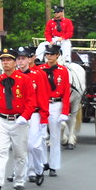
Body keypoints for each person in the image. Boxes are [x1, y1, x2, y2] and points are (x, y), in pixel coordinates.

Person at [0, 48, 35, 190]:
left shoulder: (25, 80)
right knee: (0, 151)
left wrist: (25, 116)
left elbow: (31, 102)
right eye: (3, 60)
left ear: (15, 62)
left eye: (9, 60)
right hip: (2, 119)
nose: (5, 63)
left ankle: (19, 180)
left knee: (20, 153)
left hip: (19, 121)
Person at [35, 44, 72, 176]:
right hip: (42, 104)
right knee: (41, 135)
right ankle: (43, 162)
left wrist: (64, 111)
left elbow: (66, 92)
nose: (49, 56)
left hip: (56, 104)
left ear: (58, 55)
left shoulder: (63, 71)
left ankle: (54, 165)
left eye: (51, 54)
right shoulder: (39, 69)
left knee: (55, 136)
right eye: (47, 54)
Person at [17, 47, 50, 185]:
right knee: (19, 146)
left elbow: (43, 97)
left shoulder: (38, 75)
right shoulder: (13, 75)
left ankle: (38, 168)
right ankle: (20, 173)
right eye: (18, 59)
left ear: (30, 59)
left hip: (34, 114)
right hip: (18, 115)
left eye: (24, 58)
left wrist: (44, 118)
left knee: (33, 146)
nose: (21, 62)